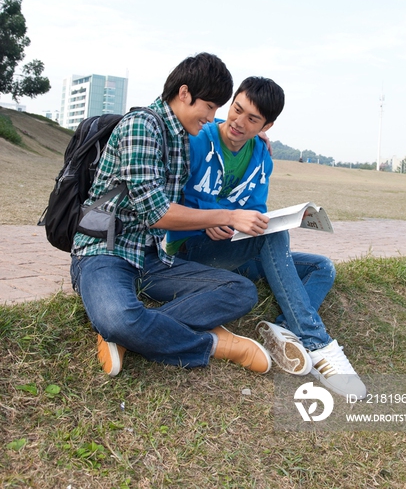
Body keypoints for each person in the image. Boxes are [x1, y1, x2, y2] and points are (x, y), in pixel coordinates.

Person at [71, 53, 272, 377]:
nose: (213, 117)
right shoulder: (141, 126)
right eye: (210, 107)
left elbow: (225, 134)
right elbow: (156, 213)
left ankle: (129, 335)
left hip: (151, 258)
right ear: (184, 94)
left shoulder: (181, 136)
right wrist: (229, 216)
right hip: (104, 251)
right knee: (117, 317)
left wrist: (256, 137)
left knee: (240, 291)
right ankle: (214, 344)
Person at [166, 77, 366, 399]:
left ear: (267, 125)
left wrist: (240, 224)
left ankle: (284, 331)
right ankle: (317, 344)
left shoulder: (261, 156)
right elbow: (169, 201)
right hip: (191, 250)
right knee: (273, 236)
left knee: (321, 267)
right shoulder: (199, 139)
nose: (238, 122)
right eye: (237, 109)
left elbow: (255, 213)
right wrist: (211, 221)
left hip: (234, 250)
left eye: (252, 119)